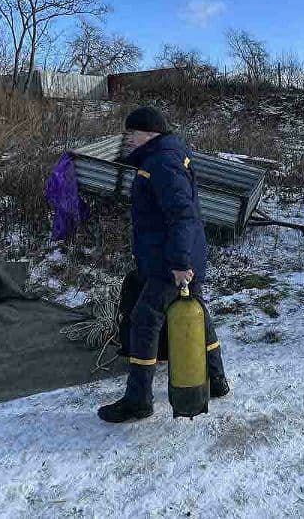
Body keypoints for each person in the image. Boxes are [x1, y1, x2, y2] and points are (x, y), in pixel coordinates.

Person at [98, 106, 230, 423]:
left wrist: (180, 262)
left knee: (145, 319)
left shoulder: (161, 163)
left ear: (149, 134)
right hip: (179, 255)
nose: (126, 140)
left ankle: (138, 400)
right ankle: (216, 381)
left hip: (171, 261)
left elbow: (181, 214)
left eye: (130, 133)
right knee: (197, 312)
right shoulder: (165, 155)